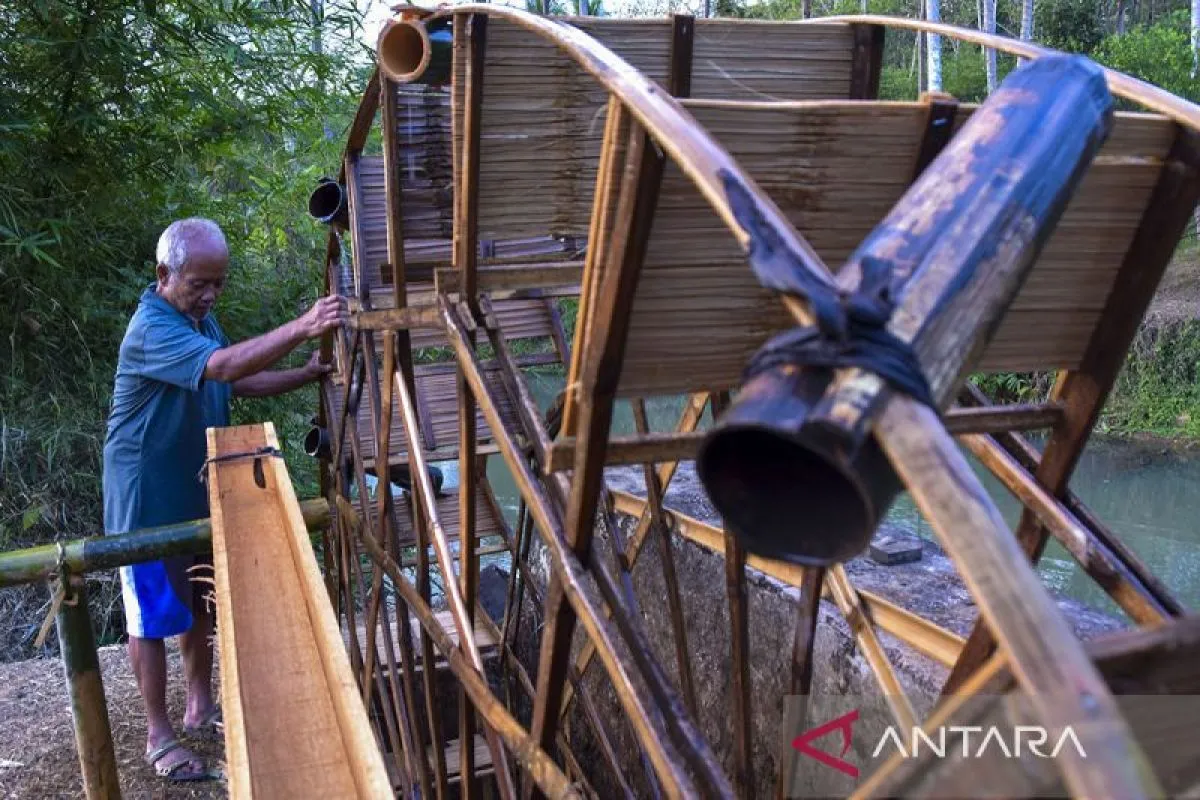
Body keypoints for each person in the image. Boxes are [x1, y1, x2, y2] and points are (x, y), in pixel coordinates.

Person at [102, 217, 346, 783]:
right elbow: (222, 365)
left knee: (202, 601)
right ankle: (159, 737)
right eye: (200, 284)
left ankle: (200, 706)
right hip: (146, 498)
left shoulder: (198, 320)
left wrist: (305, 373)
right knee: (151, 616)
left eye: (219, 283)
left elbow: (231, 381)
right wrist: (304, 325)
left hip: (198, 487)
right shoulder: (151, 328)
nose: (211, 295)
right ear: (164, 275)